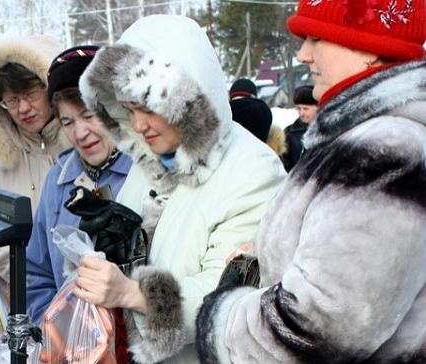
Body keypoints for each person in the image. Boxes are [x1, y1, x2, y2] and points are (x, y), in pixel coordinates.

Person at [196, 1, 426, 363]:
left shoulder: (384, 149)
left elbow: (317, 329)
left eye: (316, 38)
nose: (303, 54)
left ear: (367, 48)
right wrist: (258, 265)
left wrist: (221, 317)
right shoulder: (359, 138)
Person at [76, 15, 286, 363]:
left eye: (148, 107)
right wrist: (113, 248)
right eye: (129, 109)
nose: (139, 125)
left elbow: (229, 302)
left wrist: (132, 292)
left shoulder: (253, 173)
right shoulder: (152, 158)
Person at [26, 45, 133, 321]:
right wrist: (50, 328)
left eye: (88, 115)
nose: (81, 133)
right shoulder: (59, 179)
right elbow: (36, 270)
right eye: (67, 122)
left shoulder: (142, 173)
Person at [0, 35, 67, 285]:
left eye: (31, 94)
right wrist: (33, 283)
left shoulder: (84, 146)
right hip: (29, 301)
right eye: (12, 100)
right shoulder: (3, 163)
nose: (23, 108)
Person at [282, 85, 317, 171]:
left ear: (317, 107)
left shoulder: (329, 130)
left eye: (305, 109)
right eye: (298, 108)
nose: (301, 113)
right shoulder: (289, 133)